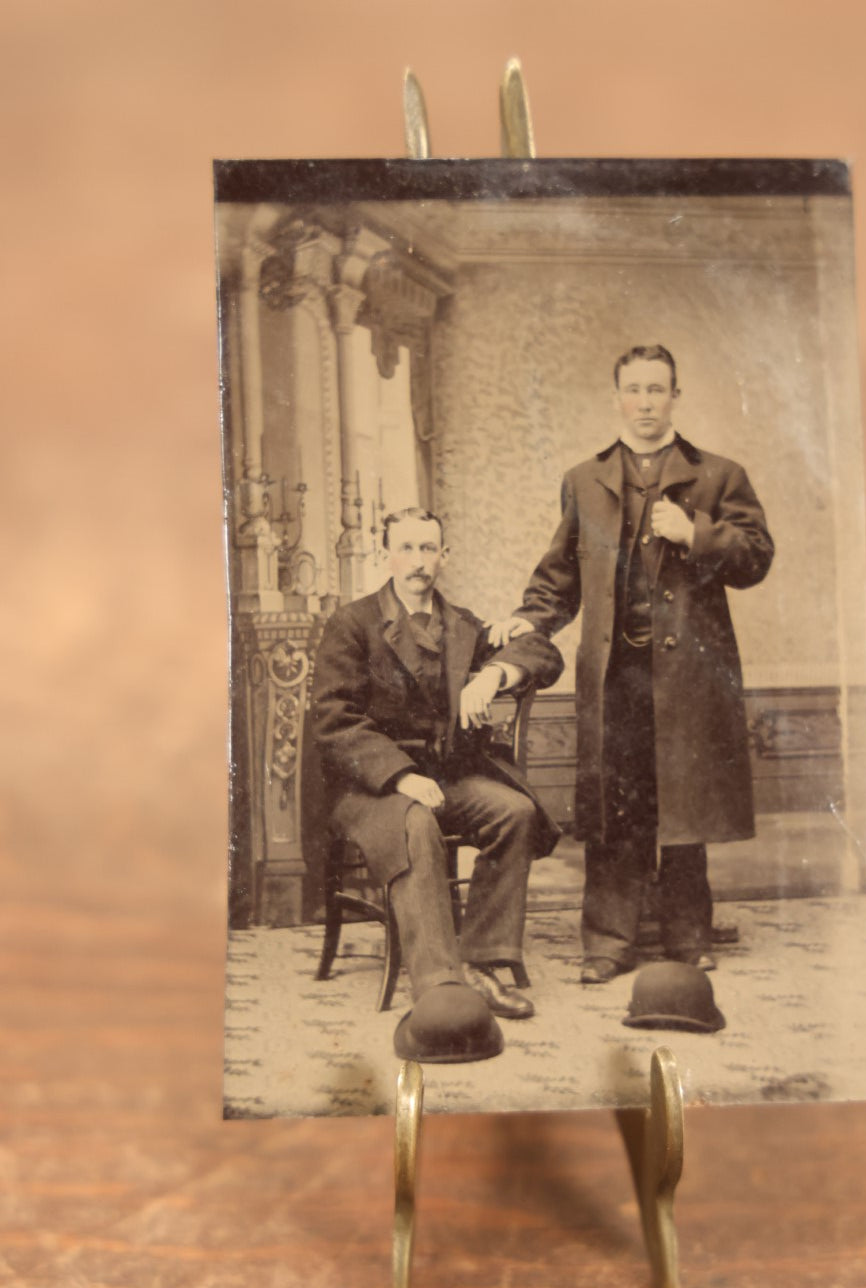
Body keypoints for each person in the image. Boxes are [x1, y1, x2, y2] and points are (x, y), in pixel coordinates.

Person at [489, 345, 774, 984]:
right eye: (634, 390)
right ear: (617, 396)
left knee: (681, 810)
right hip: (615, 676)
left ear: (676, 395)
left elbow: (757, 558)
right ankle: (606, 946)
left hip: (688, 680)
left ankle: (687, 938)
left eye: (657, 390)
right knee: (615, 812)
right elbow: (558, 576)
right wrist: (530, 619)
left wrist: (696, 532)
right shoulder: (584, 480)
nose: (645, 402)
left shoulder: (720, 475)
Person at [311, 507, 563, 1055]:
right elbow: (334, 722)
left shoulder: (465, 627)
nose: (419, 562)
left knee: (512, 812)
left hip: (446, 775)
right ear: (386, 556)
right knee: (416, 822)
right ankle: (438, 988)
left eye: (429, 549)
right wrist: (399, 776)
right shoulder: (352, 625)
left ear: (443, 557)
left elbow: (544, 652)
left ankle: (482, 961)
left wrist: (495, 672)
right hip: (371, 786)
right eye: (407, 548)